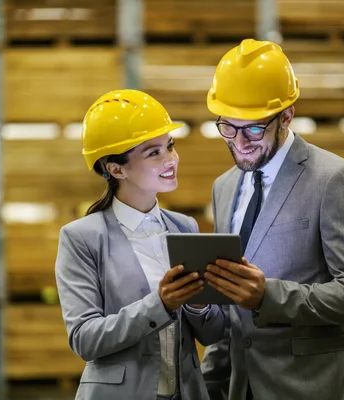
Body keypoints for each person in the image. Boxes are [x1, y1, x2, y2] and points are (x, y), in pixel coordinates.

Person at [200, 39, 344, 400]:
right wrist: (208, 385)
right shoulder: (225, 187)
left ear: (286, 116)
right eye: (228, 128)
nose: (240, 143)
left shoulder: (335, 180)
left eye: (253, 129)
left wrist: (269, 295)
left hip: (314, 387)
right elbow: (231, 309)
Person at [55, 89, 226, 400]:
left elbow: (213, 333)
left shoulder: (185, 227)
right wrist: (161, 304)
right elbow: (84, 339)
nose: (171, 159)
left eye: (170, 147)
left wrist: (199, 304)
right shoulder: (82, 238)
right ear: (116, 169)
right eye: (153, 152)